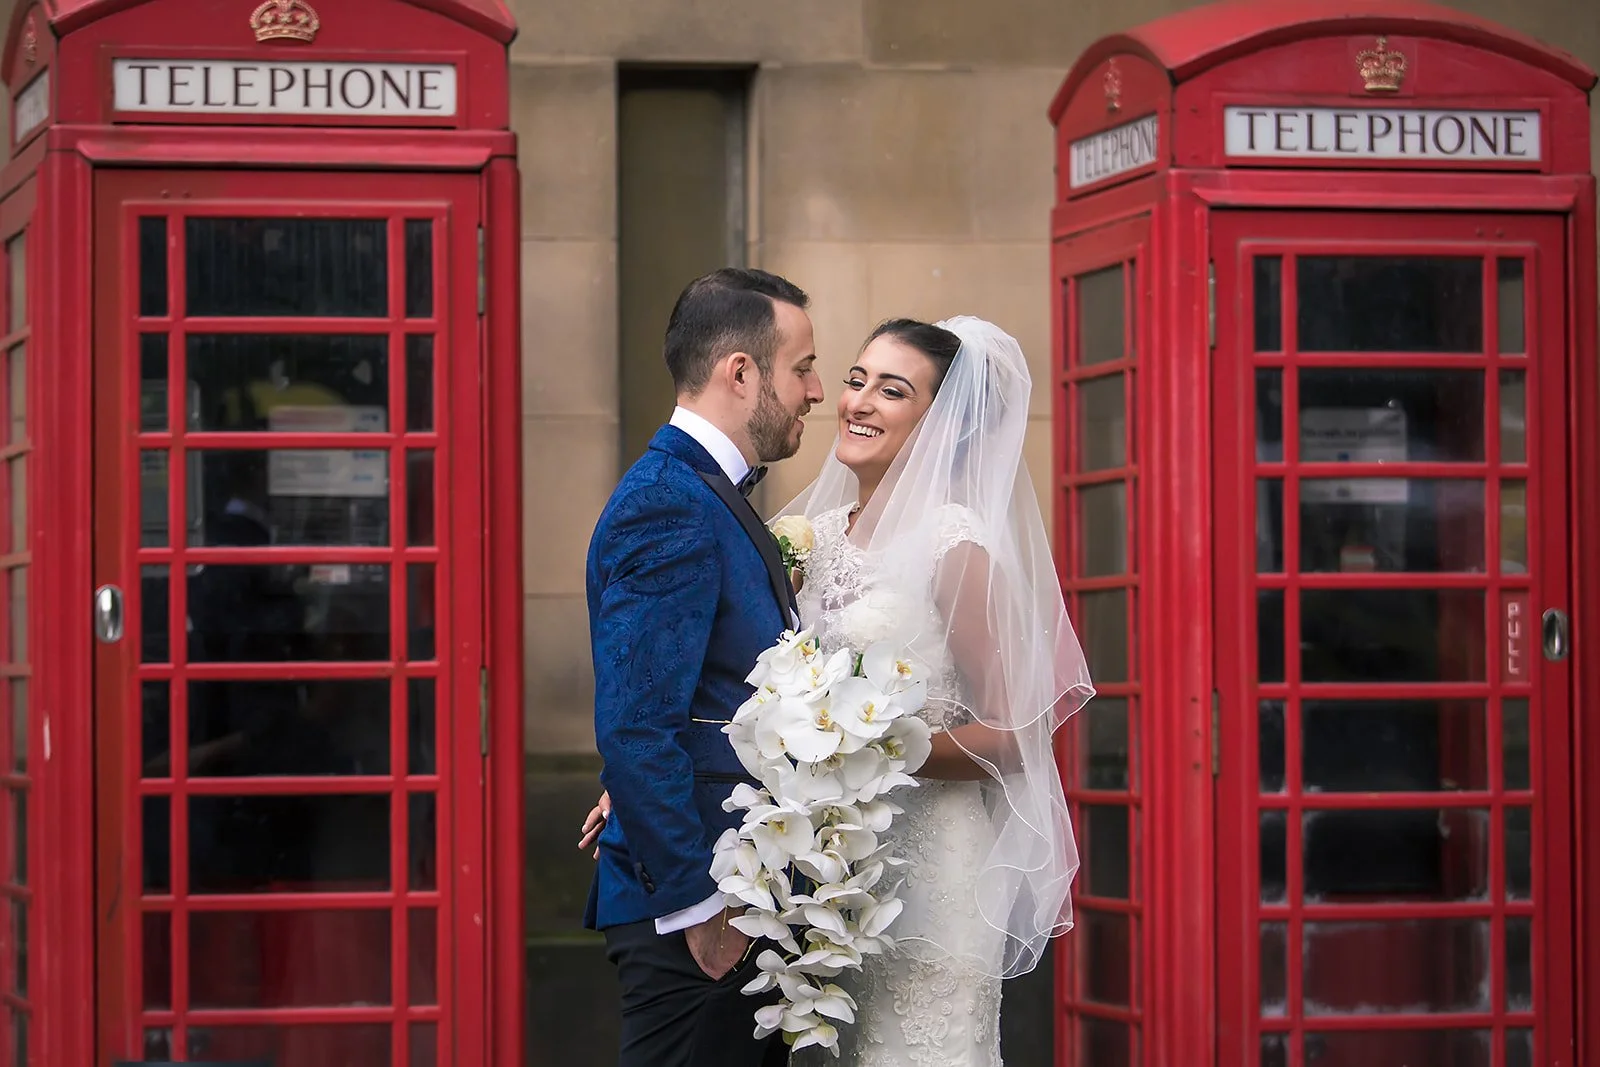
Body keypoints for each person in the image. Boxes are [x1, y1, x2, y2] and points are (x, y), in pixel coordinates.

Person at [583, 314, 1094, 1065]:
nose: (854, 400)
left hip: (928, 876)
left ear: (942, 426)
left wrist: (871, 749)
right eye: (854, 379)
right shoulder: (810, 537)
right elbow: (734, 684)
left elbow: (1017, 735)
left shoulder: (955, 548)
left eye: (892, 390)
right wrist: (630, 781)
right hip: (827, 882)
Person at [583, 267, 825, 1067]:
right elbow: (634, 723)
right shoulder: (671, 501)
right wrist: (699, 906)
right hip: (699, 909)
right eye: (801, 367)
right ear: (741, 371)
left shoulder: (703, 492)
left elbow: (700, 700)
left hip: (732, 895)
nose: (815, 390)